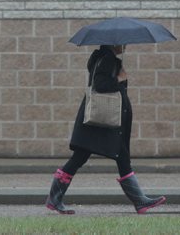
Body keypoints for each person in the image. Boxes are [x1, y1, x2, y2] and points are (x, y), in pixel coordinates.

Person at [46, 44, 166, 215]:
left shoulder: (104, 58)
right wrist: (119, 79)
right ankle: (54, 198)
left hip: (102, 122)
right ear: (113, 43)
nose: (125, 45)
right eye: (122, 42)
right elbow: (101, 84)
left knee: (120, 156)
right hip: (102, 121)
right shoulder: (108, 59)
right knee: (81, 157)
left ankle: (139, 201)